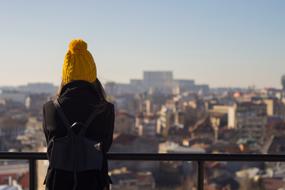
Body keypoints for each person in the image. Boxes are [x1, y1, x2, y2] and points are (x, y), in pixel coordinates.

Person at [42, 39, 114, 190]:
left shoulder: (50, 108)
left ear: (65, 74)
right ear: (92, 74)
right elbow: (104, 147)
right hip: (93, 183)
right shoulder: (105, 109)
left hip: (58, 184)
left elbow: (50, 148)